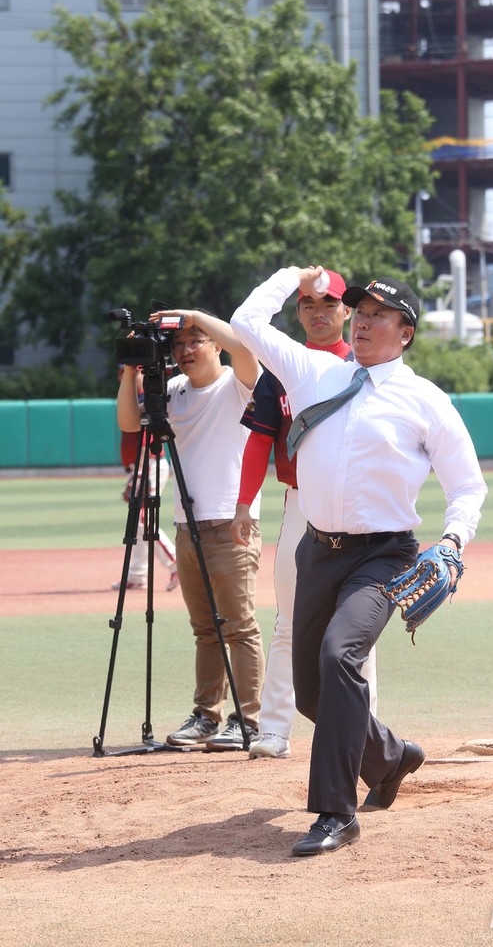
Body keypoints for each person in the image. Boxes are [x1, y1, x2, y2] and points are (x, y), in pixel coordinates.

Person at [231, 266, 487, 855]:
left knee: (339, 654)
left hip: (385, 555)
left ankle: (334, 813)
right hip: (317, 550)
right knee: (311, 694)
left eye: (381, 315)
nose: (366, 321)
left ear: (406, 334)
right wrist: (291, 275)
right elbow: (247, 322)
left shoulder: (425, 399)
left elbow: (467, 487)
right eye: (363, 311)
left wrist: (452, 541)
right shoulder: (315, 369)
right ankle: (392, 757)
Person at [230, 270, 378, 762]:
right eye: (309, 304)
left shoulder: (370, 363)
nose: (320, 312)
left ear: (345, 311)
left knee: (359, 623)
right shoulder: (282, 367)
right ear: (297, 312)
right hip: (300, 502)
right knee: (290, 621)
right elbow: (259, 439)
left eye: (329, 303)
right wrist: (244, 503)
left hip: (355, 508)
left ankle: (365, 730)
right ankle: (272, 729)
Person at [117, 311, 265, 751]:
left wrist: (194, 315)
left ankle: (248, 719)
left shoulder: (237, 385)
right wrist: (130, 370)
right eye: (178, 343)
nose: (184, 350)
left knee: (238, 626)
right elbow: (129, 423)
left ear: (214, 344)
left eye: (194, 340)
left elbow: (244, 347)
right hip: (187, 523)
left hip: (231, 522)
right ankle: (206, 715)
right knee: (205, 629)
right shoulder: (174, 391)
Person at [113, 365, 179, 593]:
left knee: (143, 520)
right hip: (143, 466)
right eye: (122, 372)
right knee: (139, 521)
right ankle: (136, 575)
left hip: (149, 464)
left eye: (133, 371)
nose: (127, 375)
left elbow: (145, 443)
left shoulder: (144, 400)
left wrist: (137, 476)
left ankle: (175, 563)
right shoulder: (130, 399)